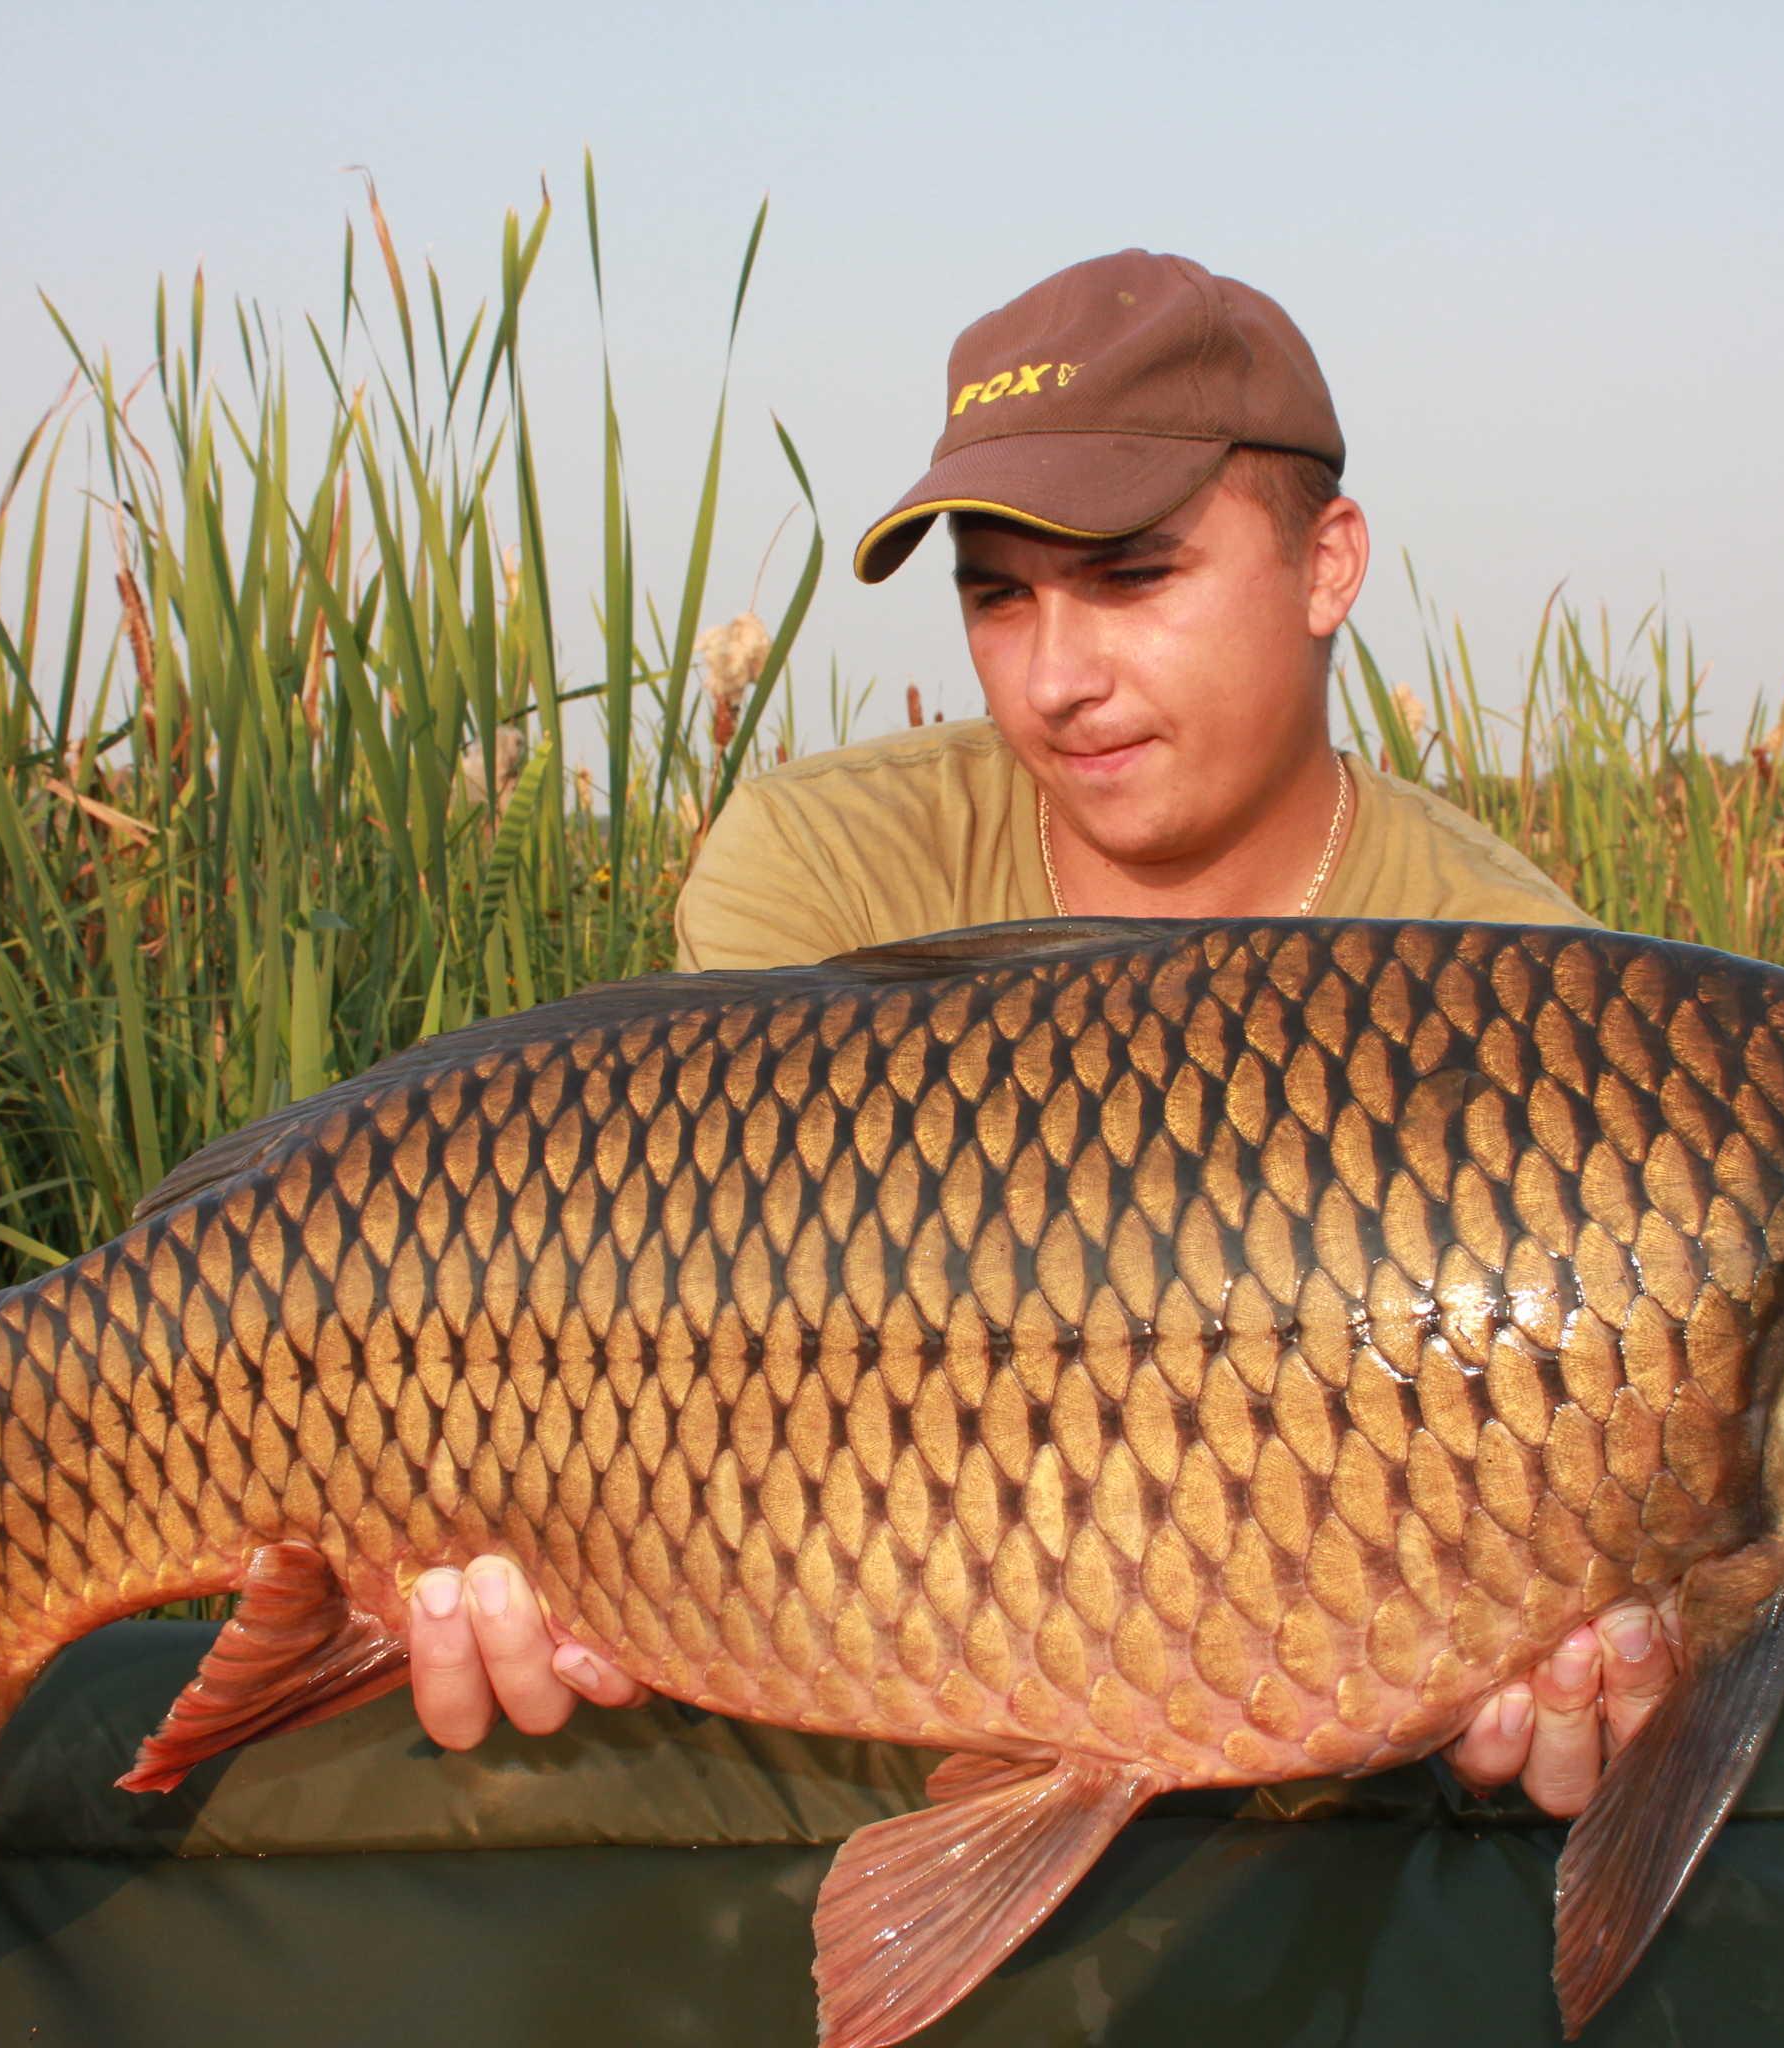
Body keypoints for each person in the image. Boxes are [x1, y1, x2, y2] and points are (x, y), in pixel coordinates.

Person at [398, 249, 1666, 1821]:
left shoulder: (1541, 1003)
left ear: (1328, 563)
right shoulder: (826, 866)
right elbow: (683, 1337)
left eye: (1134, 580)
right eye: (998, 598)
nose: (1058, 680)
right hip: (849, 1677)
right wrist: (520, 1537)